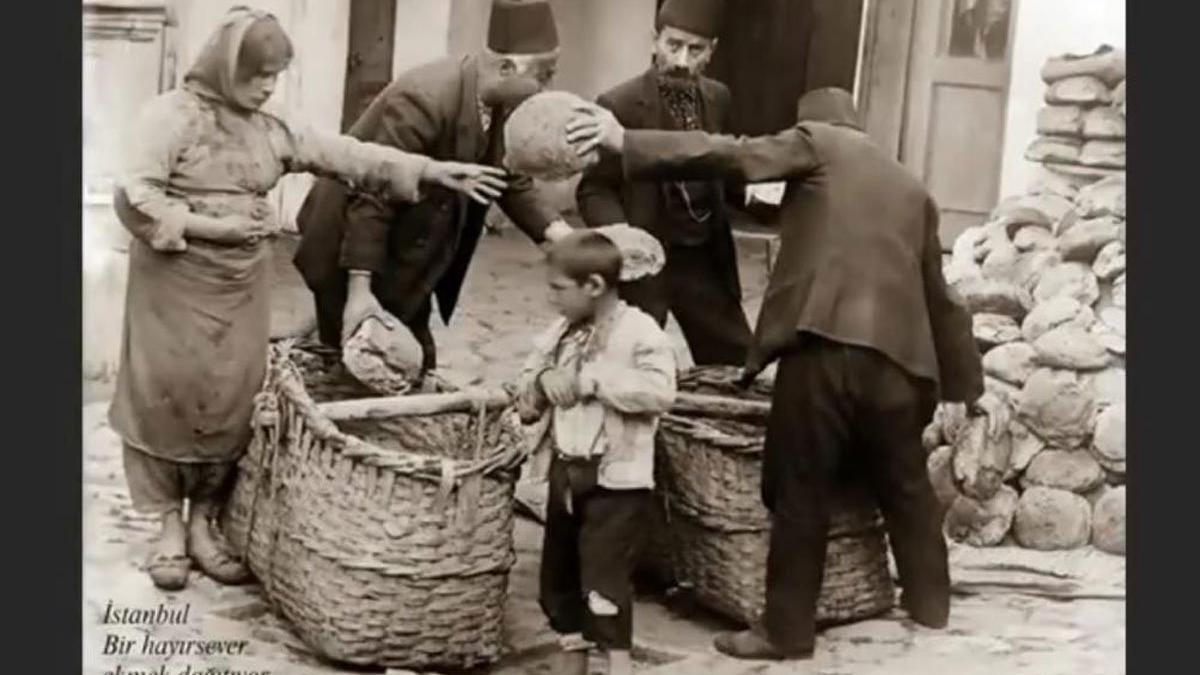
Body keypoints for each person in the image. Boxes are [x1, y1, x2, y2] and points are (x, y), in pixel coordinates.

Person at [566, 87, 1008, 660]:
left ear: (809, 126)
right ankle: (930, 602)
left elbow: (727, 154)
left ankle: (786, 630)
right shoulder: (911, 187)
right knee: (906, 485)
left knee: (800, 487)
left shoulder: (816, 142)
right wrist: (968, 387)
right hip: (900, 362)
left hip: (823, 344)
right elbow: (942, 298)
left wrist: (625, 140)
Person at [109, 6, 505, 592]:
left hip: (240, 289)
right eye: (257, 75)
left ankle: (204, 523)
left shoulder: (270, 127)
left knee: (231, 398)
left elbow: (347, 154)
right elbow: (135, 196)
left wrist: (429, 170)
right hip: (173, 288)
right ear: (225, 69)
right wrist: (213, 226)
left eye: (275, 75)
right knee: (166, 395)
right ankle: (168, 524)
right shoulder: (171, 118)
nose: (267, 87)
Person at [294, 0, 575, 372]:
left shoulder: (502, 102)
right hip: (350, 250)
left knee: (413, 366)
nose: (546, 88)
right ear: (506, 68)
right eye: (544, 76)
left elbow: (508, 179)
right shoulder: (425, 98)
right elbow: (373, 197)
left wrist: (564, 238)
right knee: (357, 370)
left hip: (411, 254)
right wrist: (359, 293)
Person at [514, 231, 677, 675]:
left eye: (558, 289)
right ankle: (573, 665)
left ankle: (619, 665)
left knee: (604, 585)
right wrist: (543, 380)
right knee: (559, 581)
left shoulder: (639, 332)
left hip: (617, 483)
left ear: (594, 286)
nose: (552, 299)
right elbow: (526, 384)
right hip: (566, 475)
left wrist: (594, 382)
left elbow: (660, 390)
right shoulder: (560, 333)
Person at [576, 0, 752, 366]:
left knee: (735, 363)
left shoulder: (719, 98)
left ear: (712, 50)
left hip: (703, 258)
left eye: (695, 49)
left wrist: (759, 194)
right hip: (645, 261)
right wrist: (622, 236)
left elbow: (726, 170)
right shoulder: (619, 104)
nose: (682, 61)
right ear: (654, 40)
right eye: (673, 45)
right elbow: (594, 188)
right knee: (629, 364)